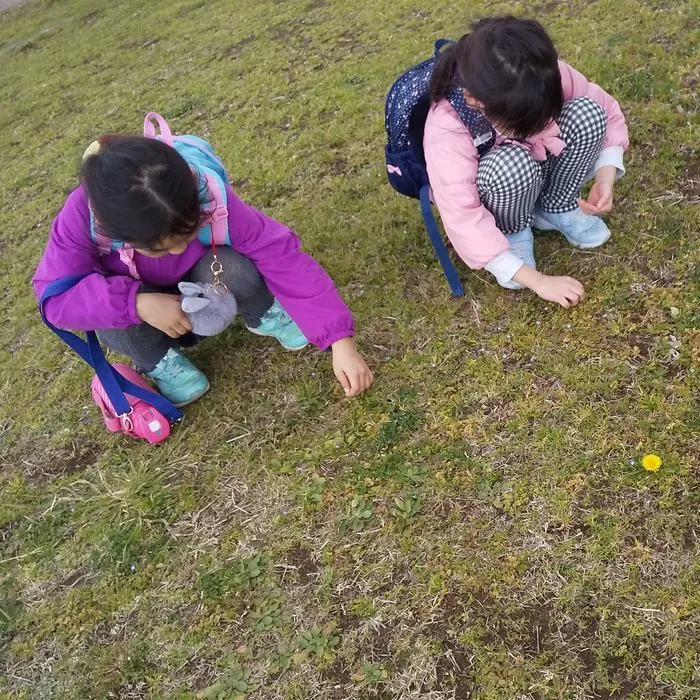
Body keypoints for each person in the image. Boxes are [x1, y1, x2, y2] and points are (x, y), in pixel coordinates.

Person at [33, 131, 373, 406]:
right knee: (104, 314)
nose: (178, 249)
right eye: (161, 247)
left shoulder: (207, 193)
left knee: (237, 267)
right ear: (120, 234)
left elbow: (283, 257)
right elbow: (54, 297)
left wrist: (339, 340)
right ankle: (161, 360)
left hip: (203, 280)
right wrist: (135, 302)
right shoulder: (81, 218)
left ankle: (265, 312)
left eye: (190, 231)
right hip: (141, 300)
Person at [424, 16, 629, 307]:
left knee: (588, 112)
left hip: (534, 169)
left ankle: (555, 207)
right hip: (500, 189)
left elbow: (606, 111)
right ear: (474, 99)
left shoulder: (537, 74)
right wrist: (538, 281)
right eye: (523, 125)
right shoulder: (448, 126)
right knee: (510, 163)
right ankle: (513, 231)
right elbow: (462, 214)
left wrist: (605, 176)